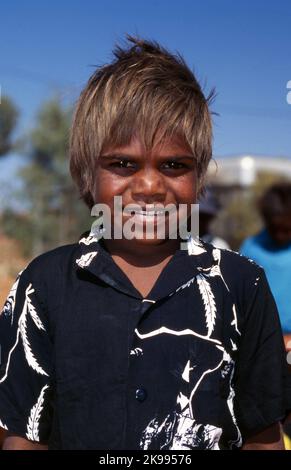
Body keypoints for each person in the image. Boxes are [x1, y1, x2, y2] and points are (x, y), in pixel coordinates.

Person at [0, 36, 290, 451]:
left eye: (174, 165)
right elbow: (22, 436)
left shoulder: (242, 286)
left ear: (198, 176)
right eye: (123, 164)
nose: (151, 186)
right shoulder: (42, 286)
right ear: (87, 172)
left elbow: (263, 439)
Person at [240, 183, 291, 343]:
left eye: (287, 229)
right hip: (262, 339)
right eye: (275, 229)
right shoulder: (251, 248)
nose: (281, 235)